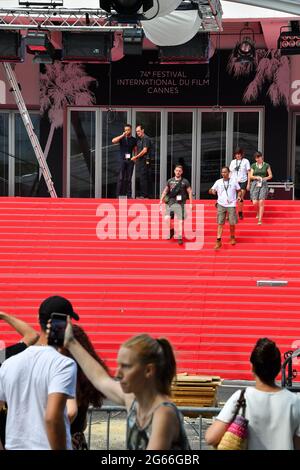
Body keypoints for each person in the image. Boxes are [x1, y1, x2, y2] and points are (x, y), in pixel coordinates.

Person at [63, 326, 190, 451]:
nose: (118, 373)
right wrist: (71, 343)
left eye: (126, 366)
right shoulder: (133, 400)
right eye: (119, 365)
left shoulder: (163, 413)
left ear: (148, 370)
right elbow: (100, 378)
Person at [0, 295, 78, 450]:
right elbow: (53, 418)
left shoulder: (8, 363)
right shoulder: (63, 364)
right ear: (66, 323)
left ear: (38, 319)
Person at [205, 338, 300, 450]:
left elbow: (211, 438)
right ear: (279, 368)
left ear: (252, 367)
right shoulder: (295, 401)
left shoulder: (241, 397)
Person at [61, 325, 107, 450]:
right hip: (78, 439)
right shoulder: (84, 375)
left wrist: (52, 430)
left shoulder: (67, 372)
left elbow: (71, 411)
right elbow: (84, 422)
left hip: (65, 440)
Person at [0, 311, 39, 448]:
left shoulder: (3, 356)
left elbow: (32, 336)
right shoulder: (3, 357)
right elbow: (32, 335)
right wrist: (3, 315)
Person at [209, 166, 241, 250]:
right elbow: (211, 190)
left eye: (225, 172)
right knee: (220, 223)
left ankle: (232, 237)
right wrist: (212, 191)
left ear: (229, 173)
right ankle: (218, 240)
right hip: (221, 204)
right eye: (222, 172)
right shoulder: (218, 182)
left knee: (232, 223)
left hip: (231, 204)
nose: (224, 174)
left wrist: (239, 196)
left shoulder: (233, 181)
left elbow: (239, 190)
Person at [159, 165, 193, 246]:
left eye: (179, 171)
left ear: (182, 172)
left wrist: (191, 203)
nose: (178, 172)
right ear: (174, 171)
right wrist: (161, 199)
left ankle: (180, 237)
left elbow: (190, 192)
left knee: (180, 221)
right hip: (171, 202)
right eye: (176, 170)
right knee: (166, 218)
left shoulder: (185, 181)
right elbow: (165, 191)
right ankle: (172, 230)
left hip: (181, 203)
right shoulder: (170, 181)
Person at [112, 124, 137, 198]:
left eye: (128, 130)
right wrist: (122, 135)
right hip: (122, 160)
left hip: (130, 161)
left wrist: (135, 158)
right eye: (125, 130)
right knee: (121, 178)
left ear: (131, 130)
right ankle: (118, 195)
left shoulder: (134, 139)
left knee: (129, 179)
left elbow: (135, 150)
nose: (127, 131)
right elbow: (113, 141)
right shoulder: (122, 138)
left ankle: (129, 195)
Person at [249, 151, 273, 225]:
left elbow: (270, 175)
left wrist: (264, 178)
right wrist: (256, 177)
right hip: (255, 184)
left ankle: (260, 220)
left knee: (261, 201)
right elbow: (250, 176)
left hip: (263, 184)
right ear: (255, 159)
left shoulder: (266, 165)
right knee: (255, 202)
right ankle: (258, 212)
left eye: (259, 157)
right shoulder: (253, 165)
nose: (258, 159)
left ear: (262, 157)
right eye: (257, 158)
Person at [229, 147, 250, 220]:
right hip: (234, 182)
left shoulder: (245, 161)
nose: (238, 156)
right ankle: (231, 213)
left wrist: (248, 183)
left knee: (240, 198)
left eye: (239, 154)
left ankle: (240, 212)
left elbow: (249, 172)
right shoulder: (233, 162)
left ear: (242, 154)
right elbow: (230, 172)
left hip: (243, 181)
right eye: (236, 154)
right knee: (232, 198)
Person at [132, 125, 152, 198]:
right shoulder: (139, 139)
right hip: (141, 161)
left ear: (142, 130)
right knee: (142, 178)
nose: (137, 132)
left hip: (145, 161)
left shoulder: (145, 138)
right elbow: (136, 148)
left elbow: (144, 150)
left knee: (144, 178)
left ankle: (144, 195)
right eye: (136, 131)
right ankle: (145, 195)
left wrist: (136, 157)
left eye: (139, 131)